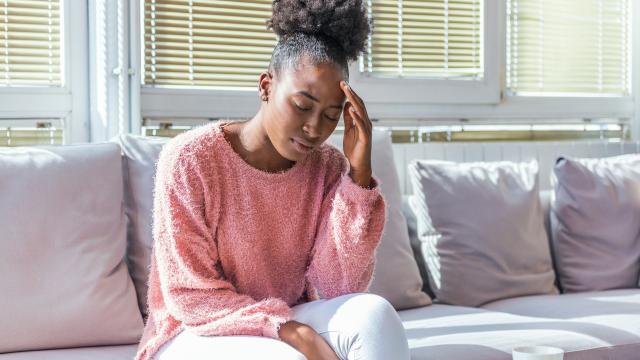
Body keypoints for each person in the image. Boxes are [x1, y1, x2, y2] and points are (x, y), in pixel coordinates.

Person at [133, 0, 410, 359]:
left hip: (285, 315)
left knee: (376, 316)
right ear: (266, 86)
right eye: (302, 105)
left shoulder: (326, 168)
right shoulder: (191, 160)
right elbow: (191, 295)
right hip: (194, 331)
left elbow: (340, 287)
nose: (314, 128)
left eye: (330, 115)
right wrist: (287, 330)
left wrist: (357, 178)